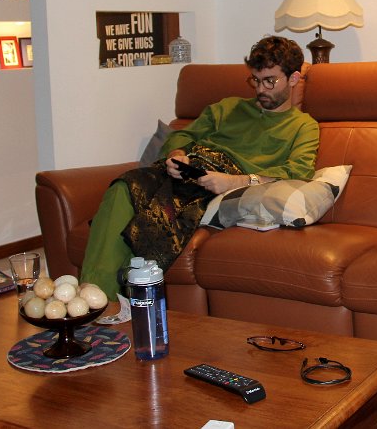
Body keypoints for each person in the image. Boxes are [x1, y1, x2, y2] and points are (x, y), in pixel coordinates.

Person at [80, 35, 319, 299]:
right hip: (187, 169)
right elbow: (182, 135)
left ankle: (107, 301)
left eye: (270, 81)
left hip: (215, 182)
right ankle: (92, 301)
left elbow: (298, 172)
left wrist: (234, 181)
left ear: (293, 78)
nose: (260, 89)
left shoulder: (303, 126)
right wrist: (177, 154)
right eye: (255, 80)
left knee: (153, 217)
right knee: (124, 186)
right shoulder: (228, 107)